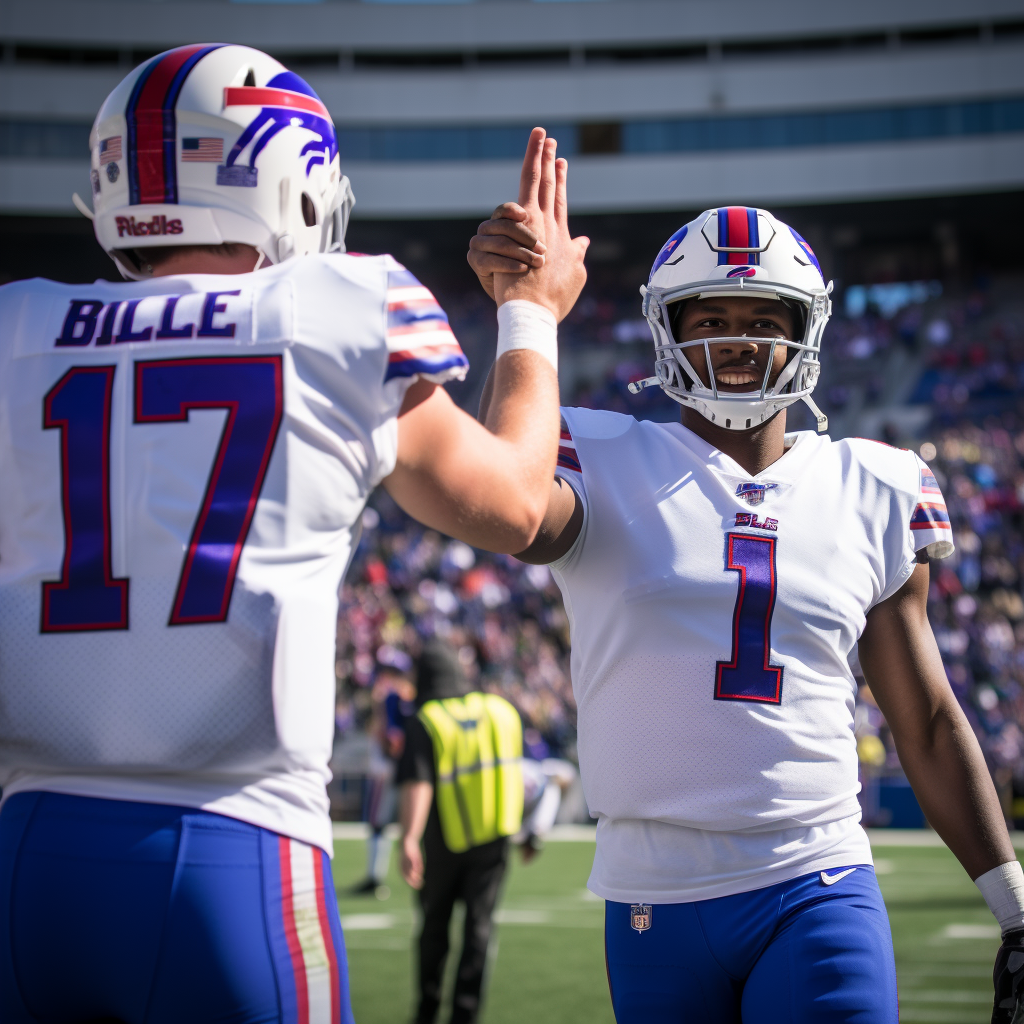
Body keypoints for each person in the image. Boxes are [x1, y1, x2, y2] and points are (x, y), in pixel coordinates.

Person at [0, 43, 587, 1024]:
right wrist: (529, 313)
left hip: (30, 861)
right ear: (291, 182)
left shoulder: (17, 328)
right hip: (236, 853)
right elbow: (520, 502)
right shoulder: (340, 311)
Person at [469, 200, 1024, 1023]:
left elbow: (928, 720)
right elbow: (501, 503)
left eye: (765, 317)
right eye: (712, 317)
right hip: (652, 893)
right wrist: (526, 311)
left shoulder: (874, 485)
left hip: (818, 877)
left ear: (806, 330)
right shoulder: (602, 454)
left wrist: (1016, 912)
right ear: (668, 329)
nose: (736, 338)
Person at [397, 639, 524, 1024]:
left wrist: (408, 838)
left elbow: (418, 783)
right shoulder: (499, 710)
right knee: (478, 930)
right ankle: (465, 1016)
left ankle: (427, 1011)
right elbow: (524, 774)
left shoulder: (428, 719)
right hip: (494, 839)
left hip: (441, 842)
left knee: (434, 928)